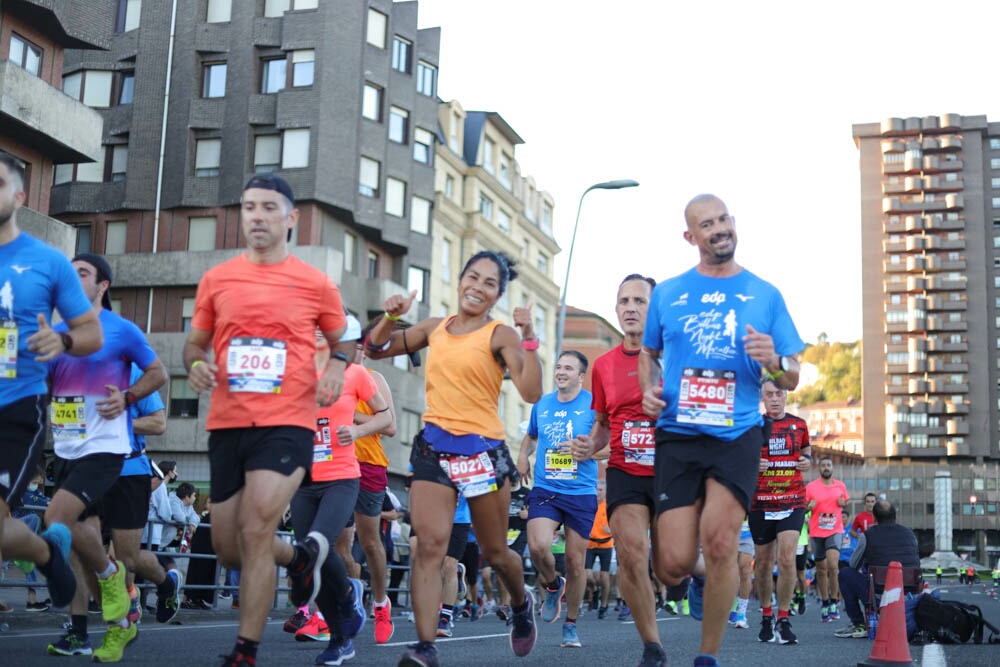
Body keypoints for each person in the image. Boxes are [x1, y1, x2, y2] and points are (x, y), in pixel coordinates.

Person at [184, 174, 352, 667]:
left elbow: (344, 340)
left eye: (268, 208)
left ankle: (245, 651)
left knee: (257, 528)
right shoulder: (217, 279)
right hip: (227, 423)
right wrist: (196, 364)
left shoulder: (315, 282)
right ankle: (298, 558)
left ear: (291, 218)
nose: (257, 216)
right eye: (249, 206)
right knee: (230, 548)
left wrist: (338, 369)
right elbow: (195, 343)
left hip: (287, 423)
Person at [640, 194, 804, 667]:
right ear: (691, 236)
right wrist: (649, 391)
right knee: (670, 562)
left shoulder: (765, 294)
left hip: (737, 434)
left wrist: (773, 360)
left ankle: (706, 656)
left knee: (721, 541)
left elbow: (791, 375)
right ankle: (695, 577)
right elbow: (649, 356)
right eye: (706, 224)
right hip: (678, 433)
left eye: (724, 219)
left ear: (734, 223)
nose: (719, 229)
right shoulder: (668, 293)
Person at [365, 250, 541, 667]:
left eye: (489, 283)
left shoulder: (501, 335)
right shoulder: (434, 328)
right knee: (429, 545)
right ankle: (426, 647)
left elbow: (531, 392)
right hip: (433, 449)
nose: (477, 288)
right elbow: (374, 349)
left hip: (482, 451)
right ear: (460, 279)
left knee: (497, 554)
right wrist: (390, 317)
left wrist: (529, 333)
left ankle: (520, 603)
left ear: (498, 294)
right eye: (472, 277)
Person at [43, 252, 166, 661]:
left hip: (114, 455)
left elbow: (159, 376)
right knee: (79, 539)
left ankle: (119, 584)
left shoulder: (122, 332)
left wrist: (128, 400)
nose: (72, 279)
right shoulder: (57, 332)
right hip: (67, 448)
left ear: (103, 285)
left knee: (77, 529)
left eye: (83, 273)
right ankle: (111, 620)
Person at [0, 151, 102, 618]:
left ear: (19, 196)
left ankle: (43, 552)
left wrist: (60, 339)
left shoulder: (47, 262)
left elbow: (90, 333)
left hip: (17, 405)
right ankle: (43, 548)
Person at [570, 274, 670, 667]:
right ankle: (652, 646)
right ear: (616, 309)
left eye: (639, 301)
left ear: (654, 308)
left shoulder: (672, 357)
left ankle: (684, 582)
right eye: (624, 301)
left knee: (668, 566)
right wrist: (586, 445)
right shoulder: (603, 366)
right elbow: (602, 426)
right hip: (625, 471)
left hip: (670, 472)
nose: (630, 307)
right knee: (631, 553)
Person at [287, 318, 392, 665]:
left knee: (321, 545)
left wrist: (357, 431)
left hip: (342, 476)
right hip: (303, 480)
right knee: (306, 557)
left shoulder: (356, 374)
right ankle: (340, 639)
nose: (317, 329)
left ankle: (350, 596)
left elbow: (385, 415)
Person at [517, 349, 597, 648]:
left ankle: (571, 624)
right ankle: (553, 585)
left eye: (568, 368)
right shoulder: (543, 403)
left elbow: (610, 447)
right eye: (559, 366)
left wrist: (585, 451)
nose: (561, 372)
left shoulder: (593, 405)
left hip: (581, 491)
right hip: (547, 487)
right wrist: (523, 455)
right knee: (537, 547)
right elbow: (532, 434)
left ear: (580, 375)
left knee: (576, 562)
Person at [101, 361, 181, 636]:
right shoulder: (74, 370)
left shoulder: (134, 373)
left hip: (129, 471)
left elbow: (159, 423)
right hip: (89, 470)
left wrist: (117, 421)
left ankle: (159, 585)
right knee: (79, 544)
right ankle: (77, 629)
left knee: (125, 557)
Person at [331, 327, 398, 646]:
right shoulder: (328, 377)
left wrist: (348, 413)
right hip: (335, 464)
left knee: (371, 543)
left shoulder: (375, 379)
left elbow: (392, 427)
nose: (356, 351)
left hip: (370, 466)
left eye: (361, 346)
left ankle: (381, 604)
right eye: (349, 345)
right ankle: (346, 603)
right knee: (336, 543)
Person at [750, 380, 811, 645]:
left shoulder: (799, 425)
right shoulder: (753, 425)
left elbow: (807, 452)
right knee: (763, 563)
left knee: (787, 559)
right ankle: (766, 615)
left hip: (792, 500)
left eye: (779, 394)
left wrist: (807, 461)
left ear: (786, 396)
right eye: (769, 395)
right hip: (761, 502)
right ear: (762, 398)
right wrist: (754, 463)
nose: (775, 399)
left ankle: (783, 619)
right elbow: (738, 458)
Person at [833, 499, 919, 638]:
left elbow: (854, 564)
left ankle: (858, 624)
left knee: (845, 573)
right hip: (909, 595)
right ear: (895, 517)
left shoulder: (868, 535)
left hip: (879, 595)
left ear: (874, 518)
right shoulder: (910, 534)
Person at [805, 456, 849, 623]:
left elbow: (844, 503)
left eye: (828, 465)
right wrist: (809, 507)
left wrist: (842, 503)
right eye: (823, 465)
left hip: (835, 530)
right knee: (821, 570)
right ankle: (824, 602)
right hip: (817, 532)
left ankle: (834, 602)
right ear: (819, 468)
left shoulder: (840, 486)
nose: (826, 467)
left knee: (833, 566)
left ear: (832, 468)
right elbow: (804, 506)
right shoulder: (811, 487)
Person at [585, 480, 614, 620]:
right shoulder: (588, 504)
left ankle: (603, 606)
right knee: (587, 576)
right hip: (590, 544)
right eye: (596, 489)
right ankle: (594, 591)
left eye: (601, 490)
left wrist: (612, 530)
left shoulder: (609, 506)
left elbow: (619, 523)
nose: (598, 492)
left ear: (605, 492)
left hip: (606, 544)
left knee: (604, 577)